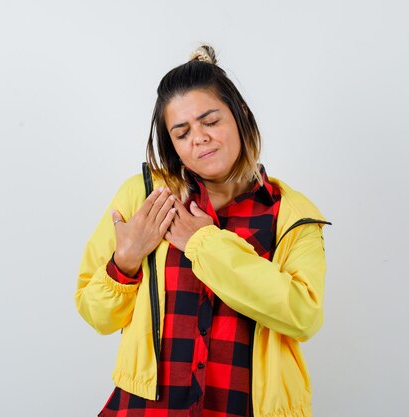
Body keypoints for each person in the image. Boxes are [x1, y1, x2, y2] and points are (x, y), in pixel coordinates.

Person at [75, 45, 330, 417]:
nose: (199, 138)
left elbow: (303, 317)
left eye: (210, 121)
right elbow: (97, 315)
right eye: (182, 132)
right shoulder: (145, 197)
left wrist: (202, 242)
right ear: (173, 146)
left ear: (240, 114)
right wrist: (125, 262)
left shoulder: (291, 215)